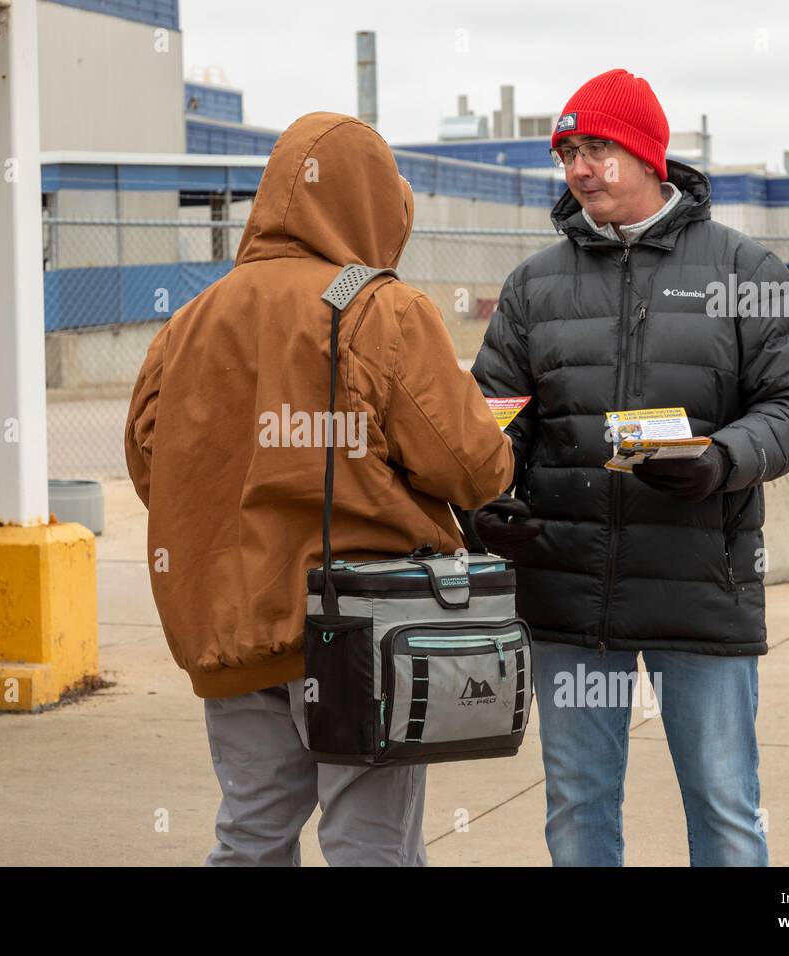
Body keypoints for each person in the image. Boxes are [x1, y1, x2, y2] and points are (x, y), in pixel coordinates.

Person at [125, 111, 514, 866]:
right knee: (370, 845)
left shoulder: (189, 323)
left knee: (249, 835)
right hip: (361, 635)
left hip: (233, 631)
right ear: (373, 204)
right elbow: (470, 468)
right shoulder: (380, 309)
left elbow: (155, 466)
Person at [469, 69, 789, 866]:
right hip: (566, 595)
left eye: (597, 148)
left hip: (701, 591)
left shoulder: (745, 271)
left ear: (646, 155)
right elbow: (491, 425)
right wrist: (484, 501)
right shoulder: (532, 286)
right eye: (568, 152)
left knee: (725, 809)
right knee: (576, 808)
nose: (580, 168)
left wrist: (724, 460)